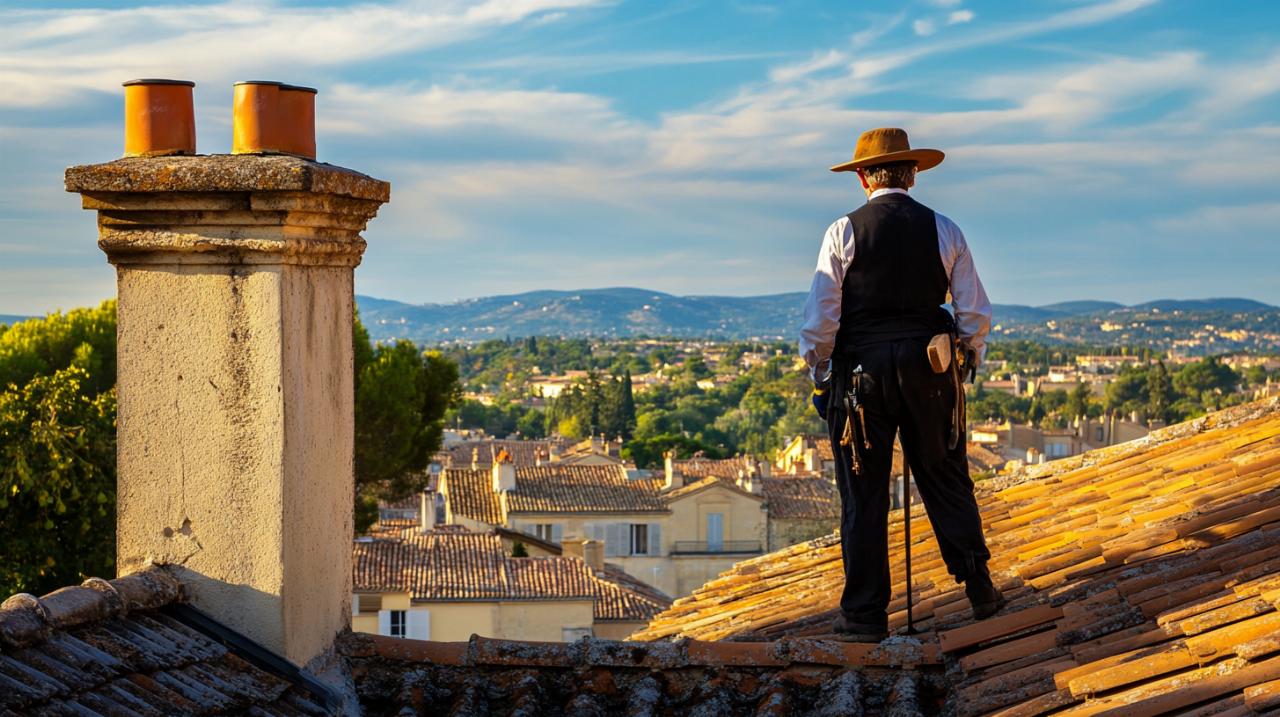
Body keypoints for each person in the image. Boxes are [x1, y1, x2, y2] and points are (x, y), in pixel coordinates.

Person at [799, 127, 1004, 642]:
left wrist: (821, 375)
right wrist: (966, 357)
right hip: (929, 370)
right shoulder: (946, 229)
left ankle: (864, 616)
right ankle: (978, 587)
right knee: (945, 475)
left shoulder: (841, 232)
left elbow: (822, 319)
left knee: (863, 490)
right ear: (911, 175)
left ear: (864, 178)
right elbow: (974, 311)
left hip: (861, 377)